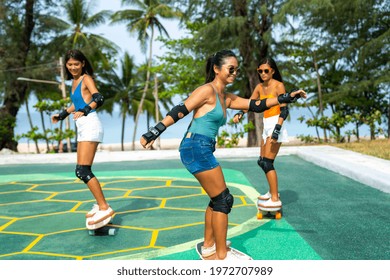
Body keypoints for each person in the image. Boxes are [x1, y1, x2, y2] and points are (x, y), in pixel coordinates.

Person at [140, 50, 306, 260]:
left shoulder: (225, 97)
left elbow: (256, 105)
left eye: (236, 69)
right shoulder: (207, 91)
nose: (235, 72)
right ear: (217, 69)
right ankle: (221, 256)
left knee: (217, 198)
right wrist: (154, 131)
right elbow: (180, 109)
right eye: (231, 68)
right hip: (195, 147)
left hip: (203, 147)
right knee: (223, 200)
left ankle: (209, 246)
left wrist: (287, 97)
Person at [51, 49, 114, 230]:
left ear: (83, 64)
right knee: (82, 170)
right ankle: (100, 204)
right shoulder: (75, 81)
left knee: (82, 170)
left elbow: (98, 98)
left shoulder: (86, 78)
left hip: (90, 123)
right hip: (83, 125)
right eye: (69, 65)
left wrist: (85, 110)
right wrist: (61, 115)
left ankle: (104, 207)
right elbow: (76, 103)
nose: (72, 67)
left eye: (76, 64)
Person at [233, 57, 289, 210]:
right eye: (260, 71)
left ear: (272, 71)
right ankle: (272, 192)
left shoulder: (279, 86)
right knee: (261, 161)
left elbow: (284, 110)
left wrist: (277, 129)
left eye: (266, 71)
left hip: (276, 123)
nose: (263, 74)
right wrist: (240, 113)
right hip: (266, 124)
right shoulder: (259, 87)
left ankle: (275, 198)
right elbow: (249, 103)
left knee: (267, 162)